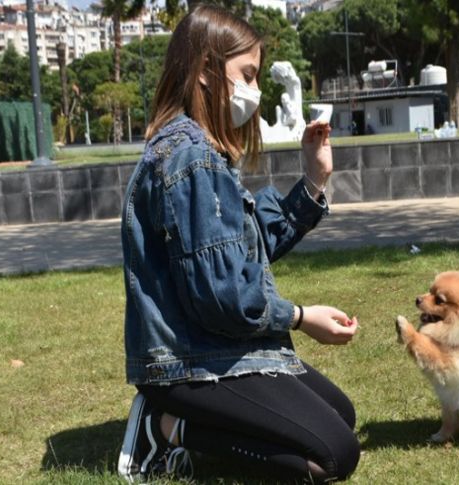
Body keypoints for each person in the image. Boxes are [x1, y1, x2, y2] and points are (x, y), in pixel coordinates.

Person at [116, 5, 360, 484]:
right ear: (207, 71)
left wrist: (314, 180)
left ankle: (188, 424)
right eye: (247, 74)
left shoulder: (200, 152)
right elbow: (223, 297)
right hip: (191, 363)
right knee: (332, 456)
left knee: (339, 416)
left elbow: (240, 253)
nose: (256, 90)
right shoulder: (192, 160)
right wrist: (300, 316)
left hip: (216, 348)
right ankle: (165, 427)